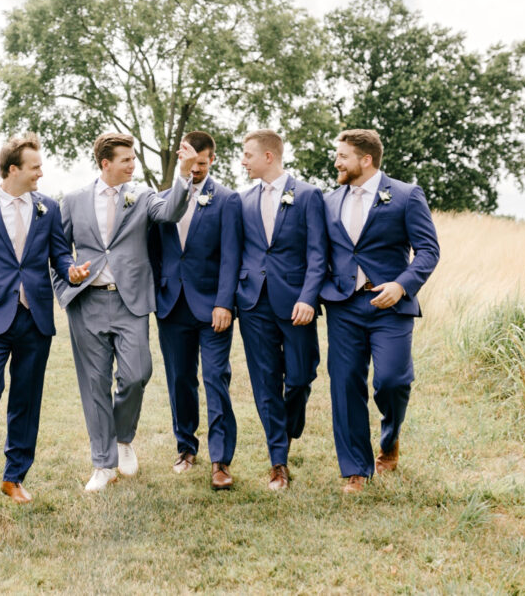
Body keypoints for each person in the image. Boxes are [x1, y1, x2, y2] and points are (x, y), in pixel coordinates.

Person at [54, 132, 197, 492]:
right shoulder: (72, 200)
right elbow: (58, 250)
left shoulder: (143, 195)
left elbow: (170, 212)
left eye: (133, 159)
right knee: (95, 384)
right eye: (126, 160)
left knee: (136, 374)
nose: (133, 165)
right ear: (106, 163)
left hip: (130, 300)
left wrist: (183, 174)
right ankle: (103, 464)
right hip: (87, 303)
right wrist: (68, 278)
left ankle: (123, 438)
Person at [0, 134, 90, 508]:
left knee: (26, 400)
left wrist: (71, 271)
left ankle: (13, 477)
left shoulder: (48, 207)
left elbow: (60, 256)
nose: (41, 173)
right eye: (35, 167)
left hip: (36, 318)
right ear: (13, 169)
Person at [320, 129, 440, 494]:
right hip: (343, 304)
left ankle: (390, 439)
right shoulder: (328, 201)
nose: (336, 162)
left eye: (342, 156)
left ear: (365, 159)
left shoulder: (405, 195)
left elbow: (428, 251)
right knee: (345, 384)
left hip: (391, 306)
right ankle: (355, 469)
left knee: (391, 381)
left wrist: (402, 285)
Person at [148, 131, 242, 489]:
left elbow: (232, 255)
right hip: (171, 306)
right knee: (180, 380)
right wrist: (158, 292)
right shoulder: (160, 200)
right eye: (193, 163)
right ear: (182, 158)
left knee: (216, 378)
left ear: (212, 161)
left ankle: (221, 460)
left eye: (204, 164)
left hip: (212, 307)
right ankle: (186, 447)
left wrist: (224, 302)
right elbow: (155, 252)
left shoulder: (228, 200)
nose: (198, 170)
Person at [236, 129, 327, 491]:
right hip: (254, 303)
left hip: (296, 302)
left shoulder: (308, 196)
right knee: (265, 383)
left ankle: (290, 421)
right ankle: (278, 462)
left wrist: (308, 297)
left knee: (302, 377)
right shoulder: (242, 201)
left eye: (247, 154)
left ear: (269, 156)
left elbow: (318, 253)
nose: (243, 161)